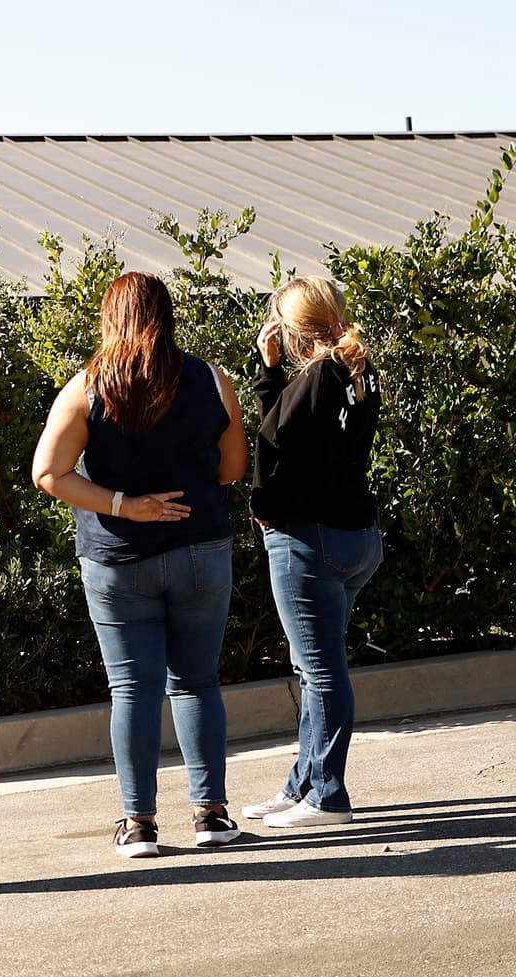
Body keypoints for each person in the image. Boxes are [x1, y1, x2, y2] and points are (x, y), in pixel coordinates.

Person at [32, 271, 248, 857]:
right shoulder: (211, 379)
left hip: (116, 558)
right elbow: (232, 469)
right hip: (201, 547)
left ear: (111, 317)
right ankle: (211, 816)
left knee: (133, 690)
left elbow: (49, 473)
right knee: (198, 682)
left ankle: (139, 825)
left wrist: (126, 505)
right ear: (168, 315)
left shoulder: (85, 387)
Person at [241, 275, 382, 829]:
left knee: (320, 672)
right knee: (316, 667)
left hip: (311, 539)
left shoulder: (320, 373)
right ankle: (304, 782)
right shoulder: (357, 372)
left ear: (295, 329)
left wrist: (262, 505)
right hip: (355, 536)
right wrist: (275, 371)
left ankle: (325, 793)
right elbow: (291, 429)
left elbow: (270, 442)